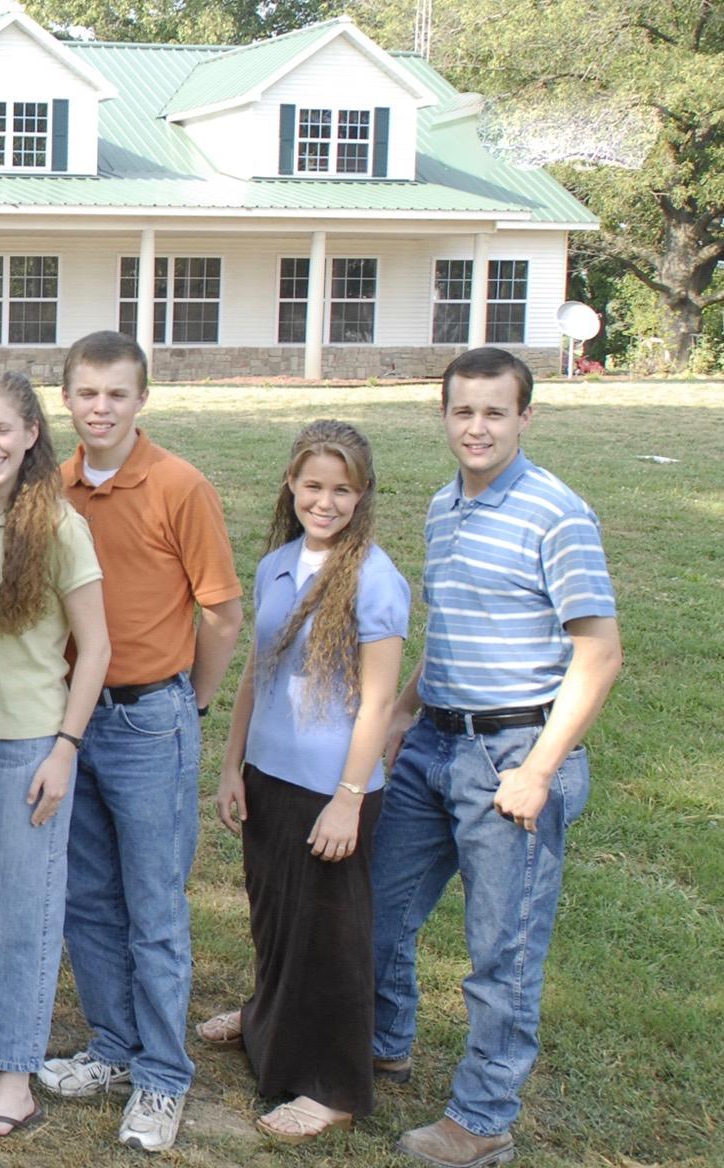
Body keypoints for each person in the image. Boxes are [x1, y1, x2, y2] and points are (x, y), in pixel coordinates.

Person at [369, 348, 620, 1168]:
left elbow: (598, 655)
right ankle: (382, 1042)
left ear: (524, 417)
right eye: (461, 411)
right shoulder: (445, 506)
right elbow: (452, 631)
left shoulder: (556, 514)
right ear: (441, 415)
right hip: (434, 742)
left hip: (514, 755)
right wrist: (403, 713)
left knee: (499, 954)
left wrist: (538, 771)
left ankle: (479, 1122)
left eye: (493, 412)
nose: (475, 427)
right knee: (376, 908)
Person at [38, 331, 241, 1155]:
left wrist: (189, 701)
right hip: (69, 722)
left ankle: (162, 1076)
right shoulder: (51, 490)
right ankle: (112, 1048)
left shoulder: (178, 487)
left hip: (151, 718)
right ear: (66, 399)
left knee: (153, 908)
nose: (100, 407)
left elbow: (221, 612)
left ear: (141, 399)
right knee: (86, 898)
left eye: (116, 394)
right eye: (86, 392)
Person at [206, 420, 409, 1143]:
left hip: (333, 789)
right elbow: (258, 676)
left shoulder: (375, 581)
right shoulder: (275, 566)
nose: (324, 502)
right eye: (312, 485)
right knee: (274, 921)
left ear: (362, 496)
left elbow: (379, 702)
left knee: (330, 938)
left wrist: (347, 802)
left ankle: (332, 1086)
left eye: (341, 490)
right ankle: (266, 1019)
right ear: (290, 484)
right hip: (269, 776)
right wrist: (233, 766)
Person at [0, 371, 109, 1145]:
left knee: (20, 916)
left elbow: (97, 647)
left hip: (27, 747)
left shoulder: (60, 525)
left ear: (32, 433)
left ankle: (15, 1079)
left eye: (2, 430)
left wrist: (65, 749)